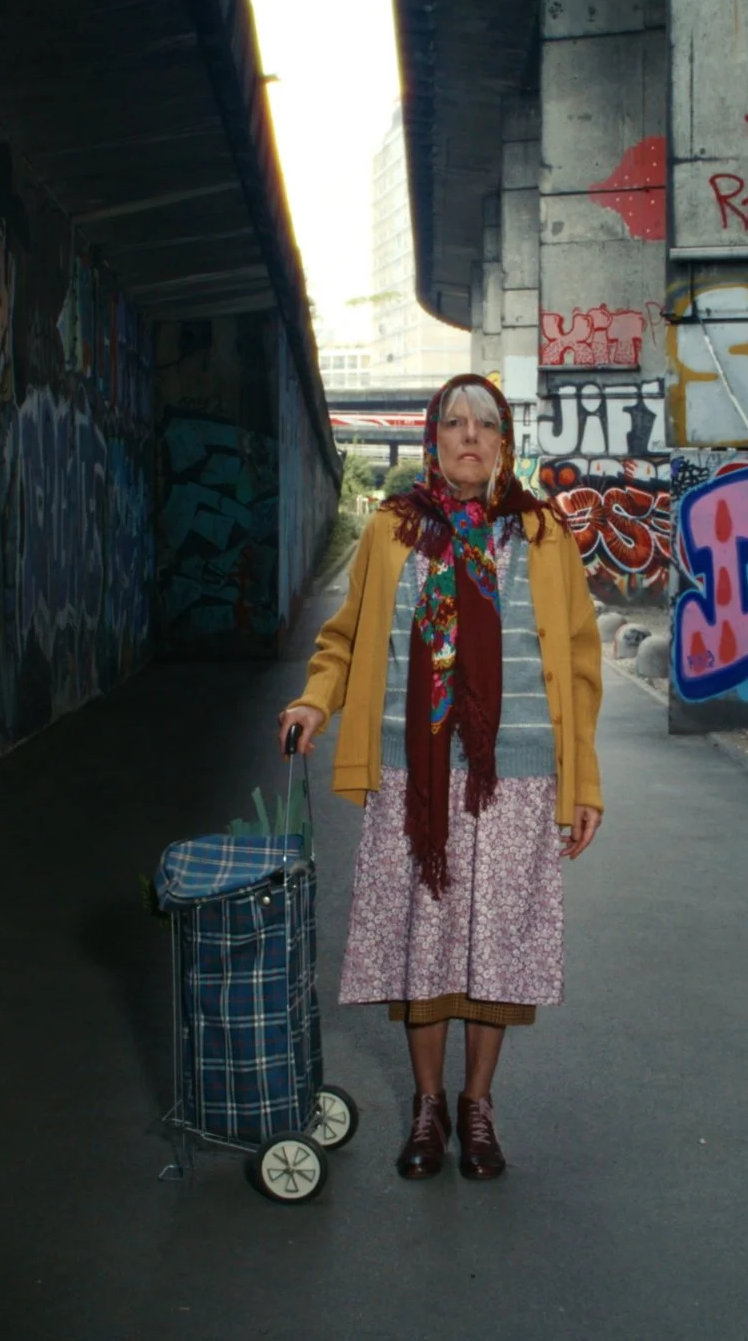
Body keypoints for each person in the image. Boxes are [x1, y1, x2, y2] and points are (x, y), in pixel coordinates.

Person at [278, 375, 604, 1182]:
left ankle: (477, 1105)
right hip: (409, 773)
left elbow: (583, 664)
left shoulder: (542, 534)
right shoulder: (392, 530)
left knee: (493, 946)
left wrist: (584, 784)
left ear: (504, 442)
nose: (468, 435)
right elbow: (345, 640)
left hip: (518, 774)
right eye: (453, 422)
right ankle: (427, 1106)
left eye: (484, 424)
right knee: (424, 946)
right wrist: (316, 703)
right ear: (434, 438)